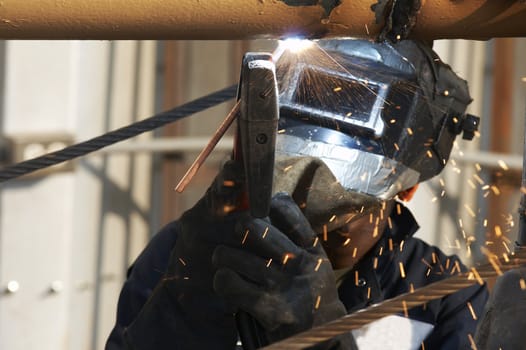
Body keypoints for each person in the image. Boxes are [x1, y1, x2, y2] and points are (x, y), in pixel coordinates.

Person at [105, 38, 488, 350]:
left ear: (407, 187)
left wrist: (323, 340)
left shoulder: (445, 294)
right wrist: (188, 302)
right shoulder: (187, 248)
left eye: (343, 212)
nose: (309, 222)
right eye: (287, 185)